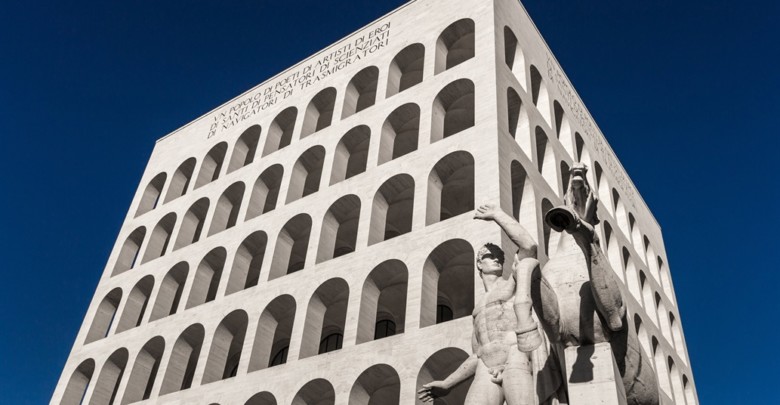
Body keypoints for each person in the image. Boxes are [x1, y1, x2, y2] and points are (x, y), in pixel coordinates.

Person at [418, 204, 547, 405]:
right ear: (479, 263)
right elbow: (478, 354)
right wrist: (447, 383)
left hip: (515, 356)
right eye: (489, 256)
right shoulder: (477, 309)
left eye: (500, 257)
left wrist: (497, 215)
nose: (496, 259)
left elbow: (529, 247)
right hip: (485, 366)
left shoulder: (512, 284)